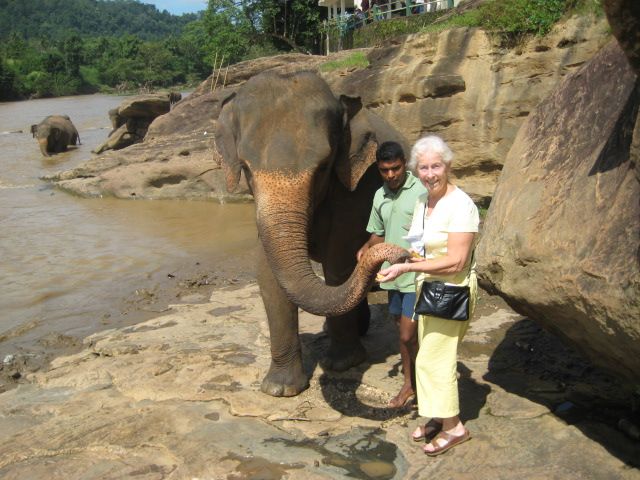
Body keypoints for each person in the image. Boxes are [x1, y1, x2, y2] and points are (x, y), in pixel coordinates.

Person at [377, 134, 479, 456]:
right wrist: (403, 259)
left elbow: (456, 261)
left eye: (436, 166)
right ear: (416, 171)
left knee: (437, 360)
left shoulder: (461, 205)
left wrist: (407, 270)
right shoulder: (425, 201)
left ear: (447, 166)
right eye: (423, 167)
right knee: (427, 358)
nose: (430, 173)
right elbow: (423, 247)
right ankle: (438, 415)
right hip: (428, 287)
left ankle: (455, 428)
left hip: (452, 291)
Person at [357, 141, 427, 408]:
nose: (391, 175)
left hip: (416, 275)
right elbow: (378, 233)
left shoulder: (421, 191)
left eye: (395, 169)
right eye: (385, 170)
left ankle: (421, 385)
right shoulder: (379, 195)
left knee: (408, 335)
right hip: (391, 277)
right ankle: (411, 384)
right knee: (403, 333)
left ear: (404, 163)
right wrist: (364, 248)